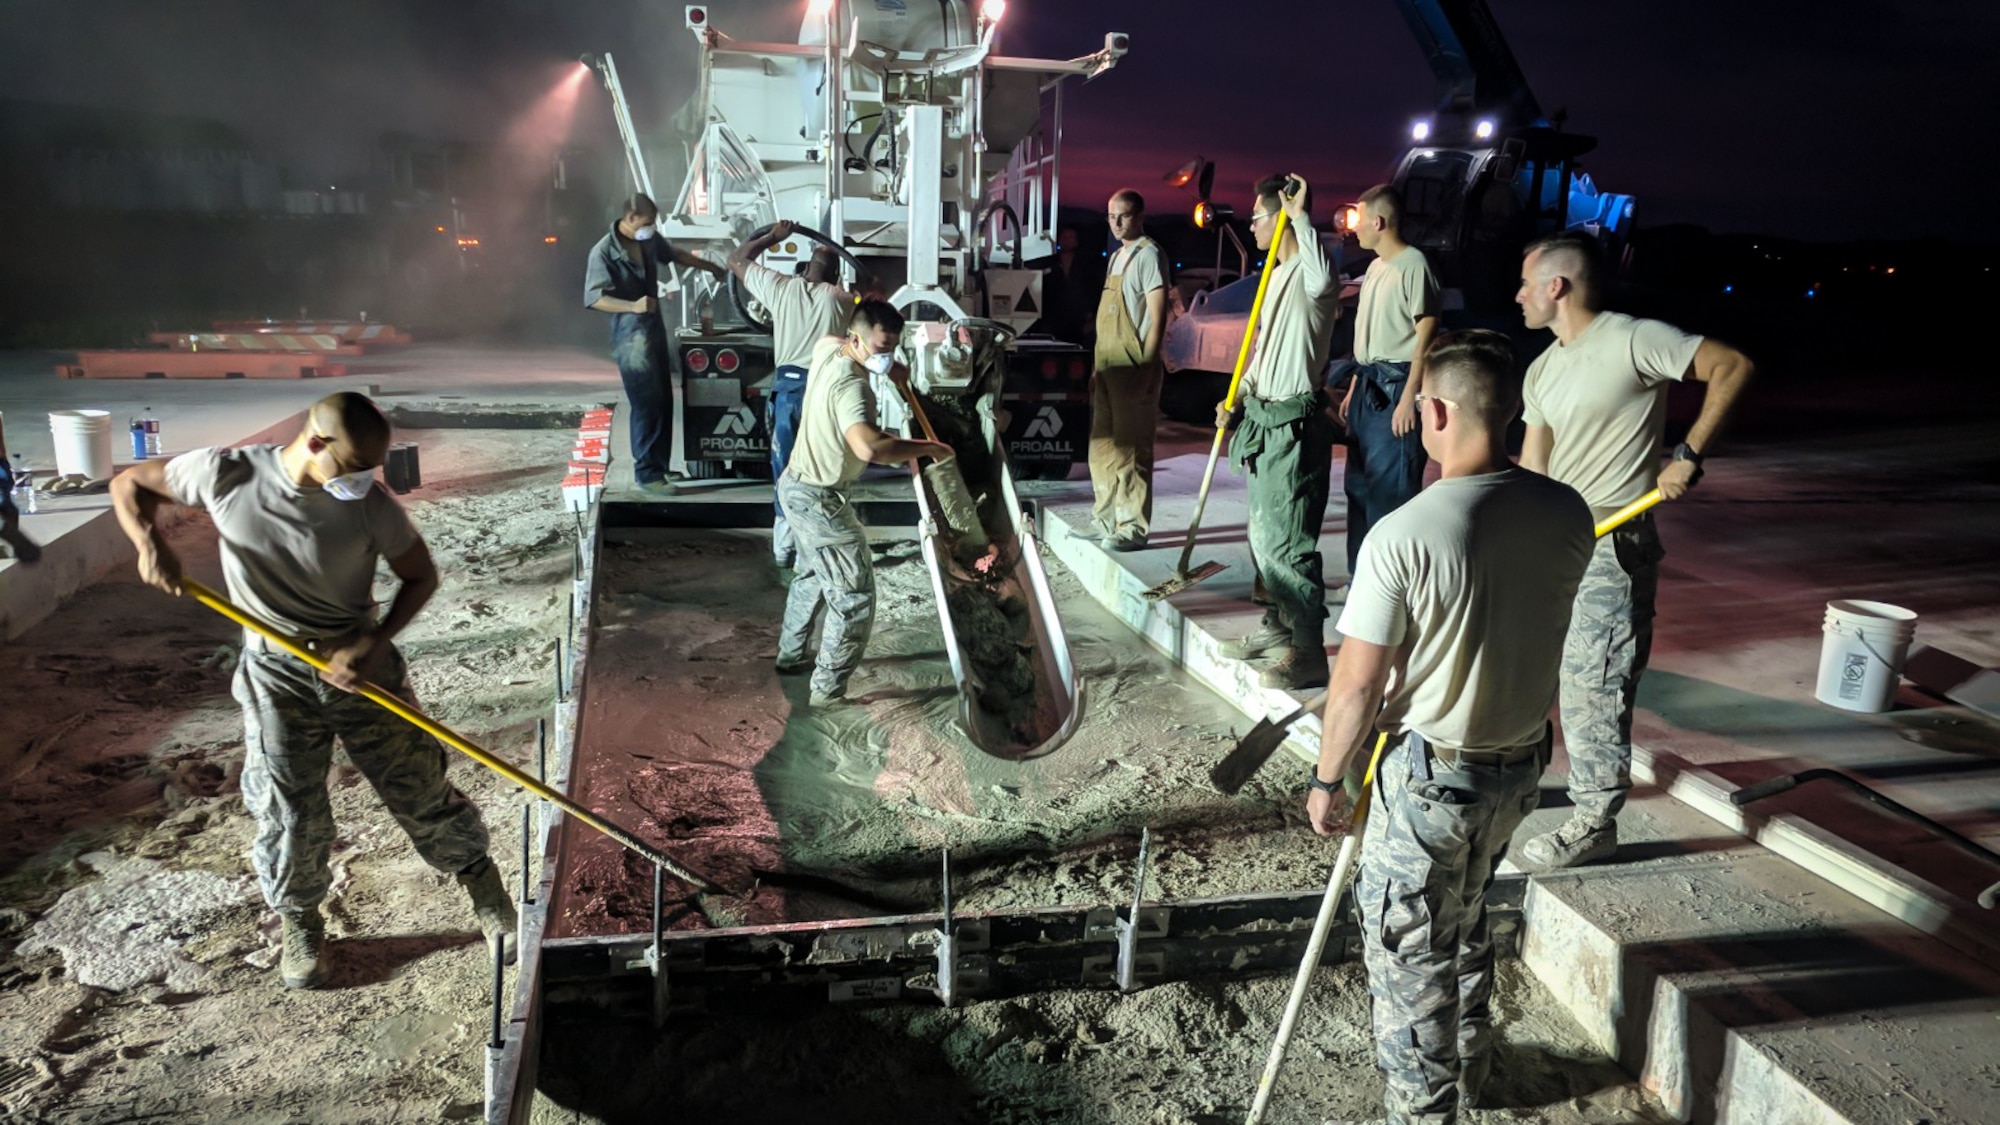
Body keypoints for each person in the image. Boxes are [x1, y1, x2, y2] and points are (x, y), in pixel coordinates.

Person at [108, 393, 516, 991]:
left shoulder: (370, 506)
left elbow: (420, 575)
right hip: (275, 675)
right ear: (317, 442)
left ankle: (485, 889)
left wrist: (373, 643)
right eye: (353, 467)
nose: (362, 481)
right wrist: (150, 544)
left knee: (419, 786)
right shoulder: (228, 474)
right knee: (287, 809)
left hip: (360, 666)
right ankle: (300, 921)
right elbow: (129, 486)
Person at [1306, 330, 1594, 1125]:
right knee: (1464, 923)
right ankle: (1473, 1068)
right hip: (1518, 771)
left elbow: (1358, 682)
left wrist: (1328, 778)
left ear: (1433, 409)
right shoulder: (1569, 513)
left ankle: (1425, 1109)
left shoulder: (1405, 534)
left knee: (1412, 959)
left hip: (1434, 779)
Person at [1512, 230, 1754, 869]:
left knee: (1596, 682)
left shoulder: (1633, 339)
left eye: (1526, 284)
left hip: (1613, 542)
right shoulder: (1543, 368)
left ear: (1557, 286)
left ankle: (1594, 820)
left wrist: (1689, 454)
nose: (1518, 297)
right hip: (1556, 543)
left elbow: (1731, 366)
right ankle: (1527, 782)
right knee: (1540, 673)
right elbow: (1535, 467)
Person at [775, 300, 953, 705]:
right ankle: (826, 692)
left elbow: (830, 337)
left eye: (892, 348)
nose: (885, 356)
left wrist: (889, 367)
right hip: (820, 501)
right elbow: (869, 446)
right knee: (854, 595)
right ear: (856, 339)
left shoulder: (829, 350)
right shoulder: (853, 387)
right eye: (879, 349)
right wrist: (932, 448)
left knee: (813, 574)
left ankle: (790, 655)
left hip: (796, 485)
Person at [1215, 173, 1342, 690]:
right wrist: (1238, 394)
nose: (1251, 227)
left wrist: (1302, 215)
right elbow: (1263, 349)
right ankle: (1278, 627)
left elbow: (1326, 280)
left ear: (1280, 217)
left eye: (1257, 217)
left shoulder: (1312, 276)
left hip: (1294, 421)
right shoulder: (1276, 276)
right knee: (1261, 536)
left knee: (1286, 542)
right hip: (1262, 415)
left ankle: (1308, 650)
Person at [727, 220, 858, 567]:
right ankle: (815, 550)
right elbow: (874, 298)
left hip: (787, 393)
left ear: (804, 269)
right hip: (822, 393)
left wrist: (772, 238)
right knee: (822, 470)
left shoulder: (781, 287)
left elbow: (736, 260)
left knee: (786, 468)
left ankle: (783, 547)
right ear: (836, 276)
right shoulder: (843, 299)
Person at [585, 192, 727, 496]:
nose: (652, 226)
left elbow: (674, 254)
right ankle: (648, 474)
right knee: (647, 405)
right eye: (648, 221)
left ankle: (659, 464)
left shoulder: (647, 239)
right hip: (631, 338)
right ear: (631, 216)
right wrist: (632, 306)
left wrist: (710, 267)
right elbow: (595, 298)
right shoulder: (604, 252)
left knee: (664, 400)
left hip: (653, 330)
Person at [1339, 184, 1441, 576]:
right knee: (1360, 487)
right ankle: (1359, 581)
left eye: (1359, 219)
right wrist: (1352, 389)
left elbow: (1427, 332)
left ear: (1378, 221)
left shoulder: (1413, 264)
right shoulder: (1376, 266)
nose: (1355, 228)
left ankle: (1391, 591)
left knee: (1391, 492)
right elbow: (1366, 338)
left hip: (1396, 387)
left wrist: (1409, 397)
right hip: (1368, 386)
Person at [1088, 189, 1169, 550]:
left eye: (1122, 216)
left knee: (1131, 451)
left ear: (1139, 216)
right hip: (1108, 366)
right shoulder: (1115, 257)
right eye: (1110, 216)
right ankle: (1107, 520)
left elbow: (1157, 316)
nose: (1116, 223)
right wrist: (1096, 367)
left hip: (1133, 367)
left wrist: (1147, 369)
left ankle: (1132, 529)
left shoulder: (1149, 255)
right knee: (1102, 448)